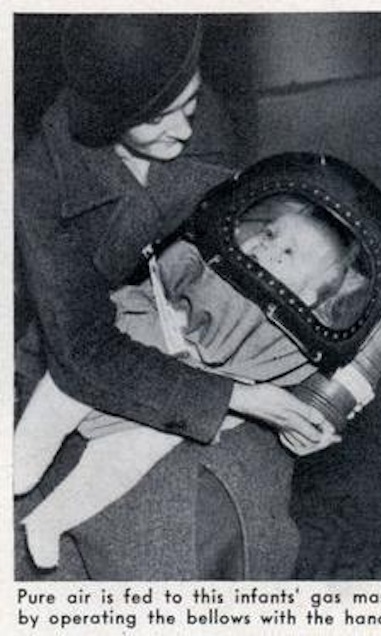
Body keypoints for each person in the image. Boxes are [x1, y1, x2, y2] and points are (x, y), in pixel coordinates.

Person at [15, 15, 331, 580]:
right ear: (106, 121)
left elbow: (265, 252)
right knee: (144, 534)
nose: (186, 129)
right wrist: (240, 398)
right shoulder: (39, 184)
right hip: (76, 362)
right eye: (159, 119)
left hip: (210, 340)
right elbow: (81, 352)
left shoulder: (200, 114)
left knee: (232, 517)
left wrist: (312, 404)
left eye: (191, 102)